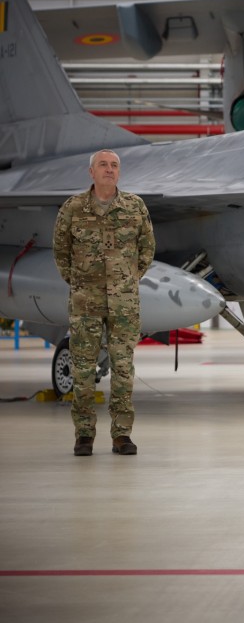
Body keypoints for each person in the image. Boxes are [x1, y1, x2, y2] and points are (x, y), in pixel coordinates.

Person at [53, 149, 156, 457]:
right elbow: (60, 251)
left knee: (124, 368)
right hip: (86, 302)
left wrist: (127, 279)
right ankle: (84, 435)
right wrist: (80, 282)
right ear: (92, 173)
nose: (109, 170)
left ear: (119, 173)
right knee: (83, 369)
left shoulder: (134, 207)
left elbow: (147, 249)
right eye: (103, 165)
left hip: (124, 303)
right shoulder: (73, 208)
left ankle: (121, 435)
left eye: (114, 166)